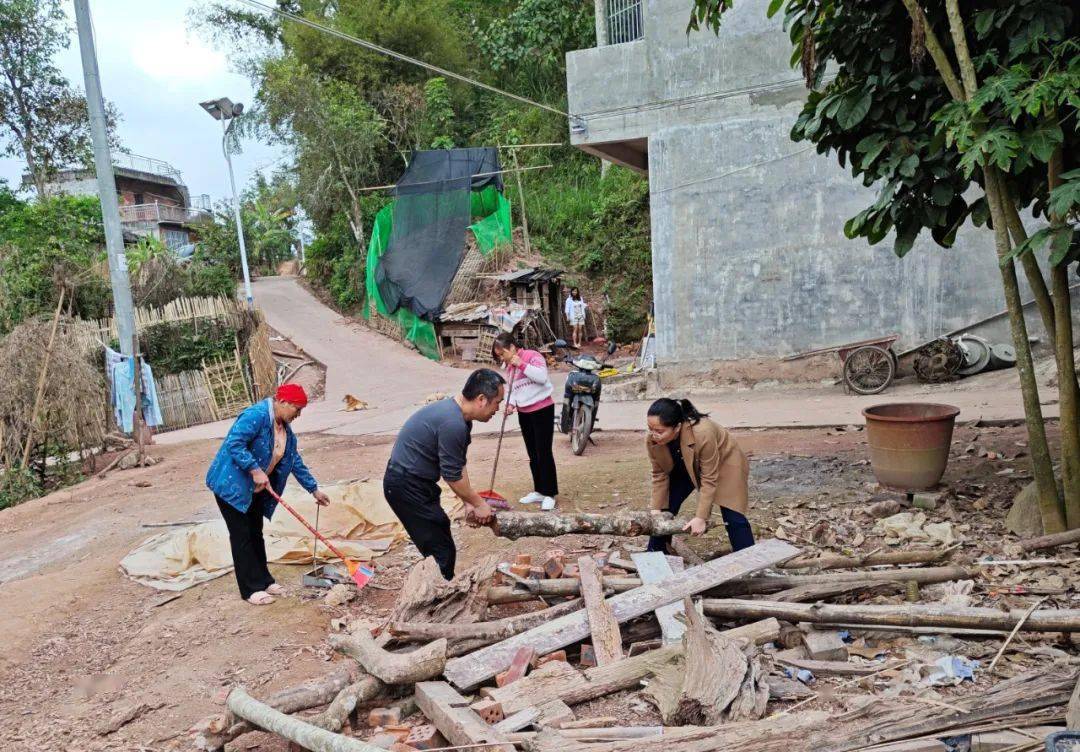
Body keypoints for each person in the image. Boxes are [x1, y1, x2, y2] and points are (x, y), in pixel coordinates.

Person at [205, 383, 330, 605]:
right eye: (296, 409)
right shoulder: (256, 415)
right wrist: (255, 469)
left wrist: (313, 489)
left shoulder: (284, 429)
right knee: (242, 535)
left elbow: (293, 460)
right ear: (282, 402)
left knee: (256, 532)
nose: (298, 415)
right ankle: (250, 589)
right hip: (231, 486)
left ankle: (264, 580)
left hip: (255, 489)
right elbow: (234, 443)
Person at [383, 369, 504, 580]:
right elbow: (452, 476)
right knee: (441, 550)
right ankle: (437, 598)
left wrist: (468, 502)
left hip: (414, 483)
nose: (498, 409)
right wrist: (479, 504)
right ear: (482, 399)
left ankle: (438, 587)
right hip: (405, 485)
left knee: (439, 535)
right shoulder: (453, 423)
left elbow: (456, 465)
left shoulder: (460, 418)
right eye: (497, 402)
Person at [645, 397, 754, 554]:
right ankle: (656, 554)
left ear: (677, 427)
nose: (653, 435)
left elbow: (709, 478)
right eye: (650, 428)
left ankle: (748, 558)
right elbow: (659, 474)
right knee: (665, 508)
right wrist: (655, 510)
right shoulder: (652, 440)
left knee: (732, 515)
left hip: (725, 462)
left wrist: (701, 517)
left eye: (659, 431)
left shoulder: (703, 433)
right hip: (686, 463)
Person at [492, 332, 558, 511]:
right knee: (533, 453)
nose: (502, 357)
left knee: (543, 452)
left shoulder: (532, 356)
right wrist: (510, 405)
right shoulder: (509, 368)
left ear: (512, 347)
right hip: (525, 412)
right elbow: (513, 390)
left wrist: (521, 364)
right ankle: (539, 490)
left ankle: (550, 493)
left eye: (503, 353)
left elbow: (541, 377)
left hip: (542, 409)